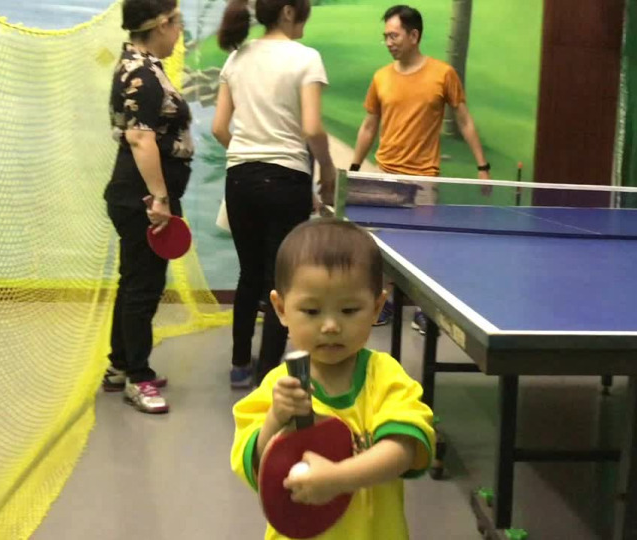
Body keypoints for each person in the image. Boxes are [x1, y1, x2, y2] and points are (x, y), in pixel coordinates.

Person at [231, 218, 435, 539]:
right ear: (281, 309)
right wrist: (274, 420)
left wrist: (339, 479)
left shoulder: (385, 376)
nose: (330, 326)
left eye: (349, 310)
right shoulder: (275, 388)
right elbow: (256, 465)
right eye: (312, 311)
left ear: (377, 307)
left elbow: (403, 450)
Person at [211, 0, 336, 389]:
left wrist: (249, 154)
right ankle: (267, 375)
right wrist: (328, 170)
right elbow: (312, 129)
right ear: (288, 11)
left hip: (240, 178)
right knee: (280, 280)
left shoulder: (237, 58)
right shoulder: (306, 58)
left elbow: (219, 128)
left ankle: (238, 366)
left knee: (248, 274)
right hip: (286, 180)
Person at [350, 4, 491, 330]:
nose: (389, 42)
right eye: (386, 36)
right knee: (379, 247)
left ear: (414, 36)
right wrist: (355, 167)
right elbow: (369, 126)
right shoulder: (381, 77)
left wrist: (482, 166)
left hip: (424, 178)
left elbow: (465, 120)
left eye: (394, 35)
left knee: (423, 249)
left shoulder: (443, 74)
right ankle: (383, 305)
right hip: (386, 175)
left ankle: (424, 311)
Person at [102, 0, 190, 414]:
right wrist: (160, 199)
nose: (179, 32)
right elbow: (141, 139)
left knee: (134, 280)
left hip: (136, 195)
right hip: (143, 199)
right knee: (144, 287)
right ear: (161, 24)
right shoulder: (142, 72)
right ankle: (138, 377)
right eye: (177, 24)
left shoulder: (141, 66)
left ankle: (120, 365)